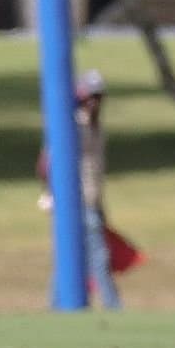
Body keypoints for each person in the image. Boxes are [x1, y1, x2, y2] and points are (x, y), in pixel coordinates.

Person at [38, 69, 123, 308]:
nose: (95, 102)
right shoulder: (72, 125)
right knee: (98, 257)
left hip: (93, 200)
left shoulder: (96, 126)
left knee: (73, 257)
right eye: (91, 97)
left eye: (99, 97)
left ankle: (55, 305)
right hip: (75, 201)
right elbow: (47, 162)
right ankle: (113, 306)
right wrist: (50, 193)